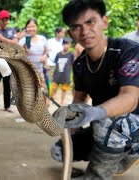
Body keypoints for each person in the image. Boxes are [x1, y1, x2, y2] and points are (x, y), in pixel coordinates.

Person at [51, 0, 139, 179]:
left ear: (104, 22)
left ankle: (101, 173)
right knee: (59, 150)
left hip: (131, 124)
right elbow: (79, 101)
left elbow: (130, 99)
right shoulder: (80, 64)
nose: (84, 32)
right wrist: (70, 122)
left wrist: (95, 113)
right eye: (76, 27)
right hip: (103, 125)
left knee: (107, 122)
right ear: (70, 32)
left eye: (90, 22)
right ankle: (114, 158)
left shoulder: (127, 51)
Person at [0, 10, 18, 112]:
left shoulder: (11, 30)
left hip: (8, 62)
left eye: (6, 19)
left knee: (8, 86)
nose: (5, 21)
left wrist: (2, 39)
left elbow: (15, 43)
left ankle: (7, 106)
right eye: (3, 19)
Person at [18, 18, 49, 105]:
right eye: (29, 26)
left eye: (33, 26)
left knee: (43, 91)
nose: (31, 28)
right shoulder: (22, 41)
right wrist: (24, 51)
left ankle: (42, 112)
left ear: (37, 27)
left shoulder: (42, 39)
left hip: (40, 70)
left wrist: (45, 56)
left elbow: (47, 52)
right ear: (26, 28)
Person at [50, 37, 74, 106]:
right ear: (62, 44)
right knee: (53, 88)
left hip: (66, 75)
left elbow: (72, 65)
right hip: (57, 75)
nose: (66, 46)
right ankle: (51, 100)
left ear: (70, 45)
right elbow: (55, 64)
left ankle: (61, 102)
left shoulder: (71, 55)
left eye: (68, 44)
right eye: (64, 44)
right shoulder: (58, 54)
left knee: (64, 89)